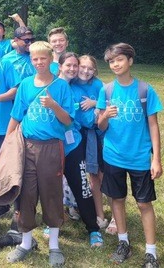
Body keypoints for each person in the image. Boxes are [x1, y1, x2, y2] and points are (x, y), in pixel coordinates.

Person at [5, 42, 74, 266]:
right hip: (28, 146)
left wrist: (54, 105)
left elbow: (68, 120)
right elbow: (16, 115)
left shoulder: (61, 86)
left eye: (42, 58)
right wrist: (7, 143)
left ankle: (54, 245)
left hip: (51, 147)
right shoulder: (26, 84)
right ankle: (25, 243)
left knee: (51, 192)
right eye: (34, 59)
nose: (38, 62)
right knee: (26, 192)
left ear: (50, 59)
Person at [97, 43, 163, 267]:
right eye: (111, 61)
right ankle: (123, 242)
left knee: (144, 203)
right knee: (117, 199)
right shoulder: (106, 91)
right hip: (113, 156)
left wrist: (156, 158)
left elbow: (153, 125)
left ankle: (151, 252)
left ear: (130, 61)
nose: (115, 64)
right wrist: (105, 115)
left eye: (120, 60)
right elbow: (101, 126)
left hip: (139, 157)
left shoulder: (145, 90)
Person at [47, 52, 103, 249]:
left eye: (75, 65)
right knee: (52, 186)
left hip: (73, 144)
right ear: (60, 66)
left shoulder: (77, 88)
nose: (72, 69)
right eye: (68, 65)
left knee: (81, 186)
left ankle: (93, 229)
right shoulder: (51, 85)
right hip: (52, 144)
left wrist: (96, 107)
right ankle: (52, 223)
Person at [71, 55, 108, 229]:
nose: (86, 71)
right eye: (83, 67)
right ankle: (95, 213)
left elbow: (108, 104)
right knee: (88, 174)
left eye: (90, 68)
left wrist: (95, 103)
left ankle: (112, 216)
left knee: (102, 174)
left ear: (95, 71)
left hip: (98, 134)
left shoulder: (98, 85)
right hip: (79, 134)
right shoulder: (71, 85)